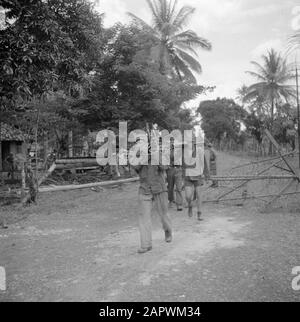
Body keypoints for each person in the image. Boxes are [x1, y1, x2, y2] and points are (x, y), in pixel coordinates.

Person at [134, 163, 172, 254]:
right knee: (143, 217)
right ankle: (146, 244)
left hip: (159, 188)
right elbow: (135, 167)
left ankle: (167, 230)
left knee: (164, 214)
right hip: (144, 188)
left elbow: (165, 166)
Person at [183, 142, 210, 221]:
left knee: (199, 195)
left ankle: (199, 213)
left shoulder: (200, 152)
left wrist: (207, 175)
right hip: (188, 176)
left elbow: (204, 164)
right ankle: (190, 205)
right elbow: (182, 165)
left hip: (198, 176)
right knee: (188, 196)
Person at [166, 144, 184, 211]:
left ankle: (179, 204)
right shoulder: (167, 150)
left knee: (179, 188)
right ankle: (171, 200)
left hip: (179, 169)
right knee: (170, 187)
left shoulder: (180, 149)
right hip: (170, 170)